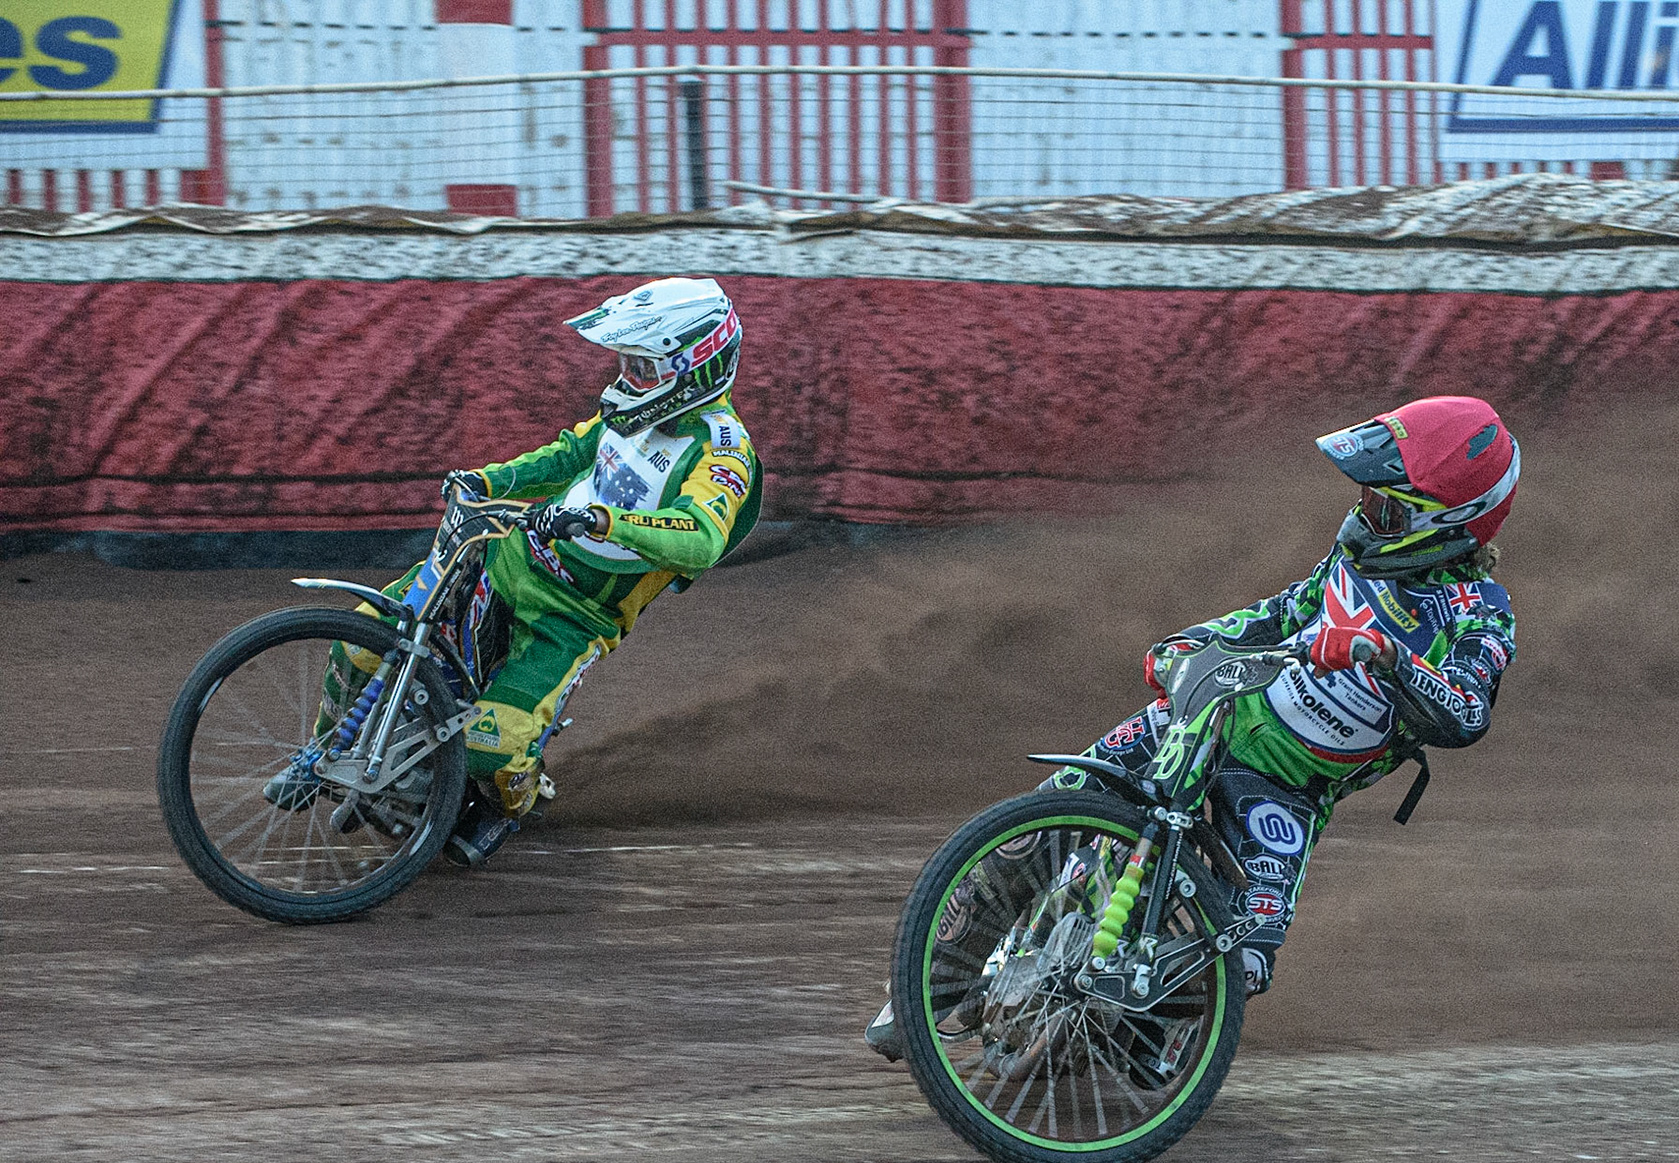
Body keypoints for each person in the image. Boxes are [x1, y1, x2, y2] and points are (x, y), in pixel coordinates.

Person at [865, 395, 1518, 1060]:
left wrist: (1389, 658)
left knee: (1247, 963)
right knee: (1049, 816)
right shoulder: (1355, 553)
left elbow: (1467, 714)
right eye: (1368, 496)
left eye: (1388, 506)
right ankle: (928, 988)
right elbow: (1285, 610)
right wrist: (1199, 640)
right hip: (1217, 712)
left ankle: (1122, 1031)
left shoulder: (1480, 615)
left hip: (1289, 790)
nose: (1366, 512)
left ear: (1448, 524)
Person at [265, 277, 762, 864]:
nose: (629, 379)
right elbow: (569, 455)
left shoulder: (723, 450)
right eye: (627, 363)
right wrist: (491, 480)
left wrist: (604, 521)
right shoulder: (627, 417)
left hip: (572, 618)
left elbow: (701, 538)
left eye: (645, 368)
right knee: (363, 639)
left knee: (492, 748)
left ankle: (514, 804)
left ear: (694, 369)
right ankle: (325, 755)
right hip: (500, 556)